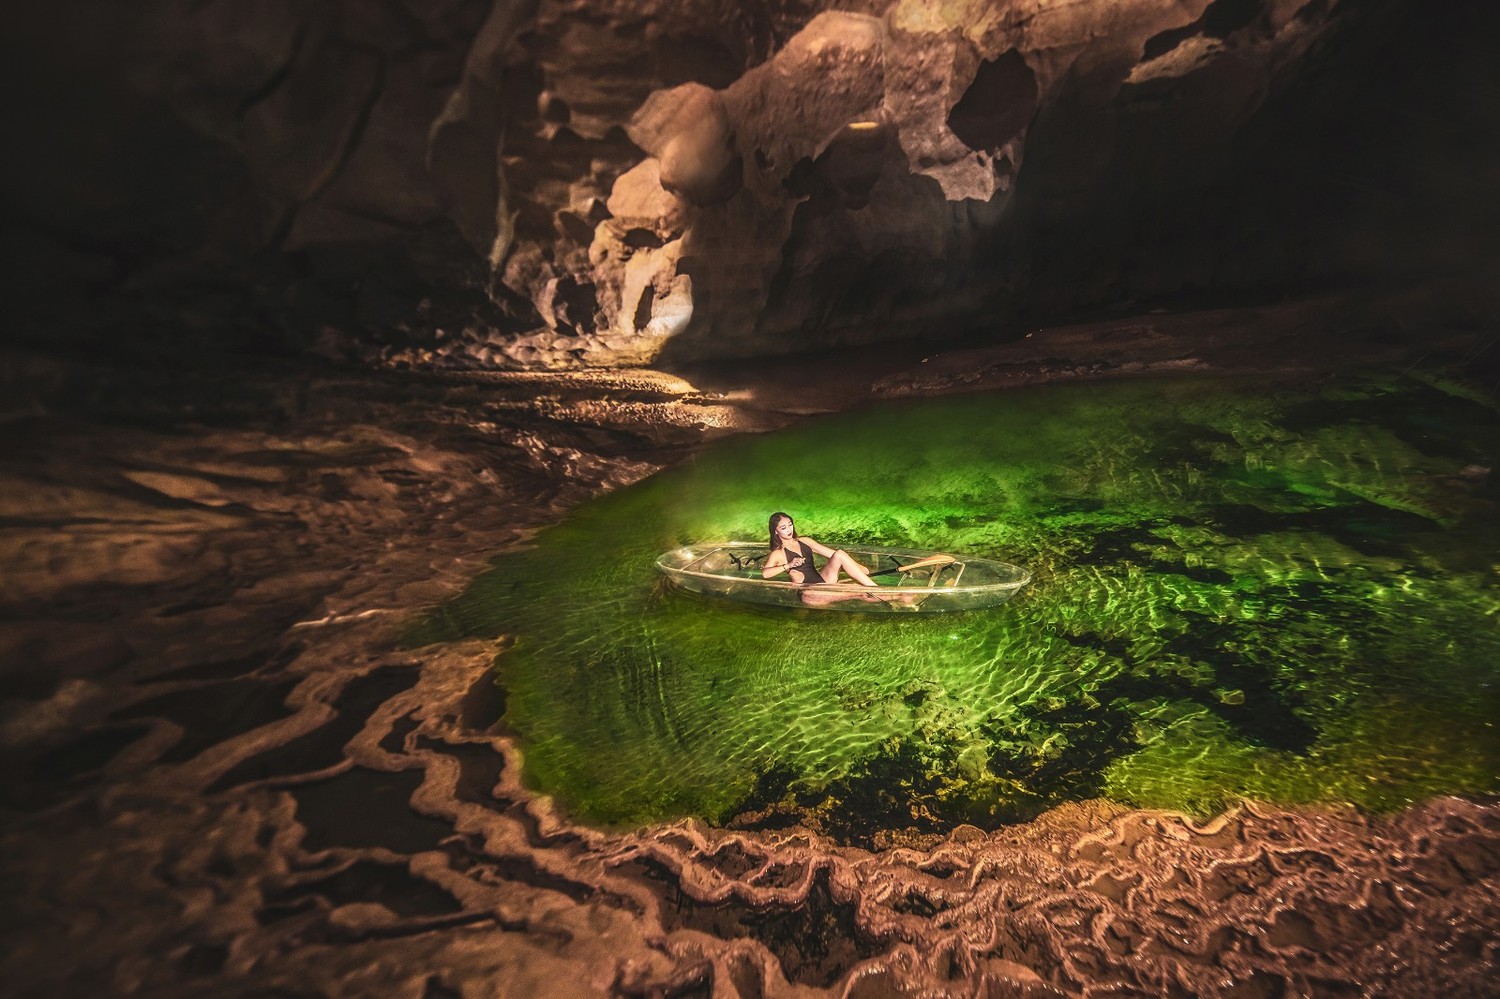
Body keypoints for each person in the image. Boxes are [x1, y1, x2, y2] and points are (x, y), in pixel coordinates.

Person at [762, 512, 880, 589]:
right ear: (776, 531)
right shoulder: (778, 553)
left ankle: (874, 587)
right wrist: (788, 565)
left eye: (790, 525)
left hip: (822, 579)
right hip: (809, 589)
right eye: (783, 528)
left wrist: (859, 568)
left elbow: (833, 555)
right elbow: (766, 573)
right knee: (857, 588)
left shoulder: (804, 541)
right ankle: (878, 590)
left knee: (839, 553)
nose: (789, 530)